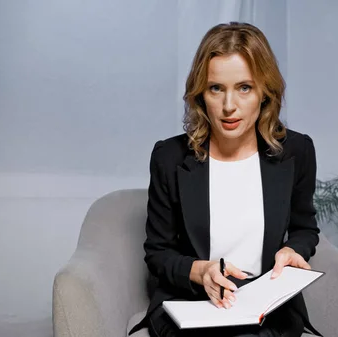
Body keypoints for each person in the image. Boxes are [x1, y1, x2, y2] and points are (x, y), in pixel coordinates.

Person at [129, 22, 322, 337]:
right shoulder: (170, 157)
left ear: (264, 93)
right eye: (216, 88)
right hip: (192, 305)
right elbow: (158, 253)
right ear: (201, 95)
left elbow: (305, 229)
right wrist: (201, 271)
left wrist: (293, 250)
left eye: (244, 87)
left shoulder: (296, 151)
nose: (229, 106)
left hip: (268, 309)